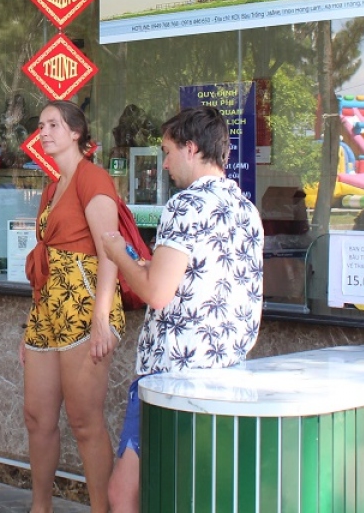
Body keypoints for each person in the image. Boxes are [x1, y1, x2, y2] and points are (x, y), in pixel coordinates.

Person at [101, 106, 263, 513]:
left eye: (168, 151)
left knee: (124, 493)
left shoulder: (185, 206)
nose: (165, 162)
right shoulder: (247, 211)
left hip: (173, 376)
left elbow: (157, 293)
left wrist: (118, 254)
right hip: (227, 372)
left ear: (191, 149)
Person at [23, 100, 123, 513]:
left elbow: (110, 251)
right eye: (41, 125)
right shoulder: (52, 185)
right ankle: (40, 507)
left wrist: (101, 318)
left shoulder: (93, 177)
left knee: (84, 421)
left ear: (76, 132)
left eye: (53, 124)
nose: (43, 132)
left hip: (83, 303)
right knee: (37, 417)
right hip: (48, 304)